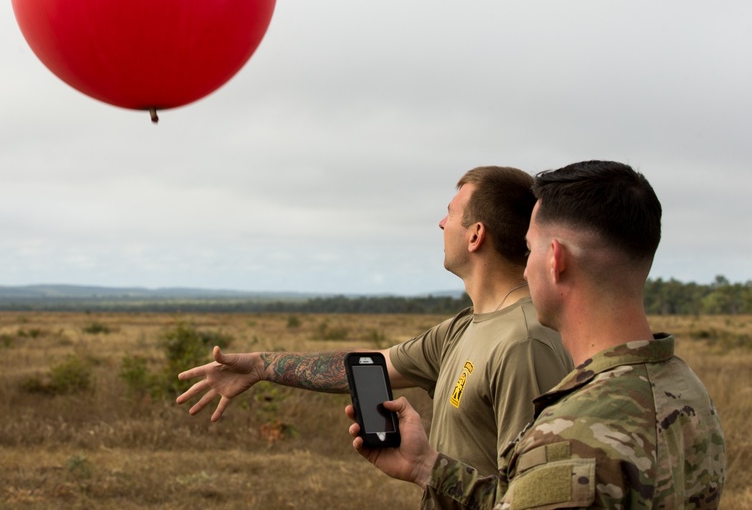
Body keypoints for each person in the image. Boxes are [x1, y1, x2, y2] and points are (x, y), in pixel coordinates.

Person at [349, 160, 727, 508]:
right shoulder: (689, 391)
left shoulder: (571, 434)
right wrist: (425, 466)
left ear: (555, 259)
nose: (525, 270)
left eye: (529, 250)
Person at [177, 166, 573, 485]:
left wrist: (426, 468)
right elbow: (365, 367)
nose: (440, 223)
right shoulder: (463, 328)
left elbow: (533, 492)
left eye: (450, 213)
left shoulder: (525, 343)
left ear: (475, 235)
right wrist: (263, 366)